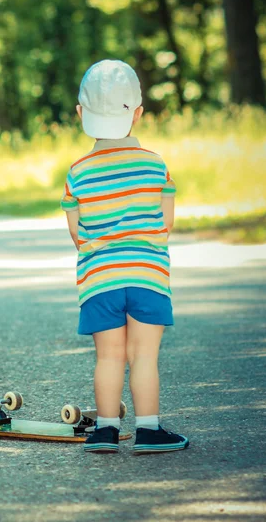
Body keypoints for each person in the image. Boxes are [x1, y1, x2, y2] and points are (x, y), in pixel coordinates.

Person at [61, 60, 189, 455]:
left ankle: (105, 429)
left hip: (100, 278)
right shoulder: (155, 164)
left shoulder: (77, 172)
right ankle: (149, 430)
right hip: (148, 274)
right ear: (138, 114)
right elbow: (165, 223)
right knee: (143, 355)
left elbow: (77, 233)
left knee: (110, 355)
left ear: (81, 113)